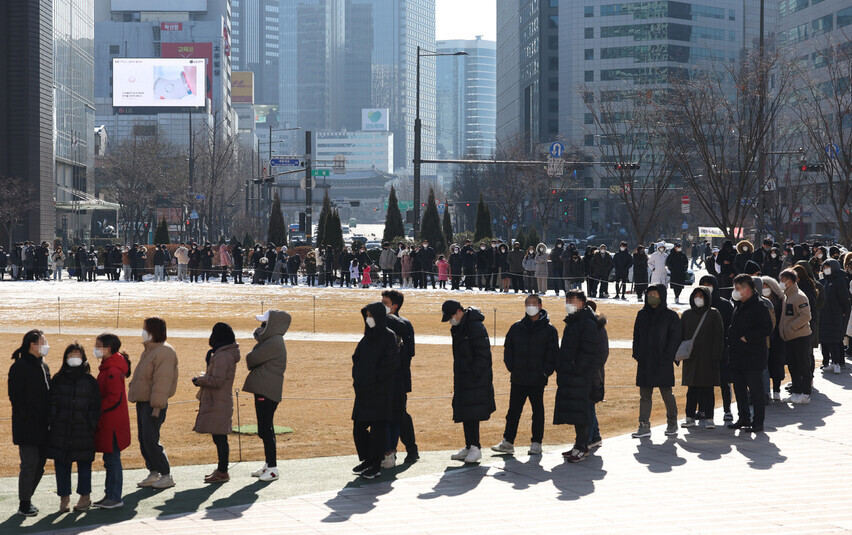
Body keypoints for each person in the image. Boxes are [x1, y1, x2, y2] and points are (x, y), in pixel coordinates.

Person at [491, 294, 558, 456]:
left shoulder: (549, 330)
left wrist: (545, 372)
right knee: (513, 411)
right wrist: (511, 366)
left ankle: (536, 442)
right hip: (518, 377)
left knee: (538, 411)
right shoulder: (517, 327)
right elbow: (508, 347)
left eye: (533, 304)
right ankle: (508, 441)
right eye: (527, 304)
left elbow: (553, 354)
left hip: (537, 378)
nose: (530, 307)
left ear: (540, 306)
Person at [46, 343, 101, 513]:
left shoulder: (90, 381)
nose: (74, 357)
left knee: (84, 465)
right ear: (65, 358)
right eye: (71, 354)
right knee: (62, 466)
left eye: (77, 354)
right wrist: (53, 421)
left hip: (83, 430)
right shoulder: (58, 378)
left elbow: (95, 406)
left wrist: (91, 424)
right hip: (61, 431)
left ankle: (85, 498)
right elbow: (51, 403)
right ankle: (64, 499)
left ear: (83, 357)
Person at [128, 317, 179, 489]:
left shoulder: (165, 351)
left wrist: (157, 406)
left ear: (154, 331)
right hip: (143, 402)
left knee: (151, 438)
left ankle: (166, 474)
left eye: (145, 328)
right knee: (143, 438)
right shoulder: (150, 350)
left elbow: (162, 381)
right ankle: (153, 471)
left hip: (153, 404)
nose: (142, 331)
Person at [442, 300, 496, 463]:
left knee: (473, 413)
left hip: (475, 378)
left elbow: (483, 355)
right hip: (463, 376)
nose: (451, 320)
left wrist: (473, 372)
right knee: (465, 411)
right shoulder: (459, 327)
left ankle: (475, 447)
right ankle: (468, 445)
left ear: (459, 312)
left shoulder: (475, 327)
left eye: (451, 316)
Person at [351, 303, 399, 479]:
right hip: (363, 391)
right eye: (367, 315)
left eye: (371, 315)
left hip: (380, 392)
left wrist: (373, 378)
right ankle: (367, 459)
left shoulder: (388, 336)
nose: (368, 318)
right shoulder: (367, 336)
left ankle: (375, 464)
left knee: (378, 430)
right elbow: (356, 358)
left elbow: (390, 364)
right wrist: (357, 378)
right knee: (359, 427)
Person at [243, 310, 290, 482]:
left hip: (267, 390)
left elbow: (251, 359)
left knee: (265, 429)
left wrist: (259, 339)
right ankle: (269, 464)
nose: (261, 326)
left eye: (264, 323)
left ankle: (272, 468)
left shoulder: (273, 342)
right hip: (265, 388)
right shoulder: (272, 340)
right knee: (265, 428)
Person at [631, 284, 682, 438]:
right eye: (649, 293)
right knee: (645, 395)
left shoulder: (671, 316)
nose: (651, 296)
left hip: (663, 361)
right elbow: (636, 336)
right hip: (645, 361)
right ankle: (644, 424)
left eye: (655, 293)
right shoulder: (642, 314)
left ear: (662, 296)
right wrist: (638, 354)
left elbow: (675, 338)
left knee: (667, 394)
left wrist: (667, 355)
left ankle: (672, 422)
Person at [9, 330, 51, 517]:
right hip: (27, 426)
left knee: (40, 464)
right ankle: (24, 503)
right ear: (32, 344)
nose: (46, 344)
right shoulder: (20, 366)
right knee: (29, 464)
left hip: (44, 426)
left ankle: (28, 497)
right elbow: (16, 398)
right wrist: (31, 417)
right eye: (43, 341)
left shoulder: (44, 366)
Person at [553, 290, 599, 462]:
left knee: (582, 412)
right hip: (571, 375)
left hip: (580, 376)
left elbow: (589, 351)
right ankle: (578, 444)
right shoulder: (574, 321)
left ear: (582, 303)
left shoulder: (587, 322)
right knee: (576, 411)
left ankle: (582, 446)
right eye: (567, 300)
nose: (568, 304)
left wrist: (576, 368)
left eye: (572, 300)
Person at [192, 323, 240, 484]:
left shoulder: (223, 356)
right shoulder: (221, 354)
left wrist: (199, 380)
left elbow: (218, 380)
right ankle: (221, 469)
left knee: (220, 437)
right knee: (218, 437)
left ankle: (222, 471)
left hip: (218, 400)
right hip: (218, 399)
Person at [727, 275, 773, 432]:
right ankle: (744, 417)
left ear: (747, 289)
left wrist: (748, 337)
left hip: (753, 356)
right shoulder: (739, 305)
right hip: (737, 355)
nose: (736, 292)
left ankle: (758, 421)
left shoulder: (759, 306)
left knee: (756, 390)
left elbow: (767, 328)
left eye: (738, 289)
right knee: (739, 389)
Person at [92, 334, 131, 509]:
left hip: (112, 423)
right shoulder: (109, 367)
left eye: (98, 345)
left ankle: (115, 496)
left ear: (107, 349)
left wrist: (95, 407)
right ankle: (110, 494)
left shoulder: (112, 371)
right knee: (110, 460)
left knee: (113, 461)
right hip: (110, 421)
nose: (95, 348)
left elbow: (114, 398)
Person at [381, 290, 419, 467]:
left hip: (399, 377)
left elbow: (410, 352)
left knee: (400, 414)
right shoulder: (378, 322)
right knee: (386, 415)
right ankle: (388, 452)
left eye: (385, 302)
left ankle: (411, 450)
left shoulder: (404, 324)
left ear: (394, 306)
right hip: (383, 379)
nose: (382, 305)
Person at [679, 287, 724, 429]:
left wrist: (716, 356)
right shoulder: (686, 314)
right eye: (696, 295)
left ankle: (709, 418)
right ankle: (689, 417)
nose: (698, 298)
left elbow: (719, 336)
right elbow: (680, 336)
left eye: (701, 295)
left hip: (708, 358)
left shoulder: (713, 314)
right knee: (692, 390)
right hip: (691, 358)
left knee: (707, 390)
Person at [699, 275, 735, 421]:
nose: (706, 287)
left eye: (709, 284)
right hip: (703, 349)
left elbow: (731, 326)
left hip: (722, 348)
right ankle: (702, 409)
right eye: (703, 284)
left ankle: (727, 409)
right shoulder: (698, 304)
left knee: (725, 381)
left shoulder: (725, 305)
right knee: (703, 381)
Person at [818, 259, 851, 374]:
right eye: (824, 267)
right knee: (824, 340)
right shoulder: (824, 281)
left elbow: (844, 298)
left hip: (835, 314)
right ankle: (827, 362)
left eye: (828, 267)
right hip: (824, 315)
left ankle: (837, 363)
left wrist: (844, 312)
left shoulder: (840, 280)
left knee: (835, 340)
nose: (826, 269)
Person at [761, 276, 788, 400]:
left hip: (778, 338)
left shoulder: (780, 301)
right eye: (763, 287)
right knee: (764, 365)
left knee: (777, 364)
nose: (764, 289)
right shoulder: (759, 302)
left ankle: (776, 390)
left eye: (767, 286)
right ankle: (766, 391)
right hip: (764, 338)